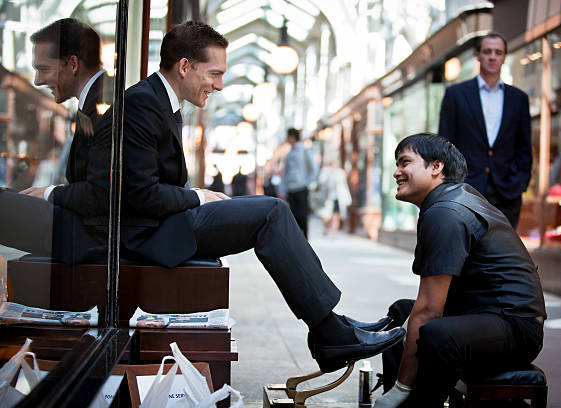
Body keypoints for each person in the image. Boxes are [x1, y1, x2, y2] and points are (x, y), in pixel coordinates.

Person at [109, 21, 404, 373]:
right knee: (272, 212)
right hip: (151, 233)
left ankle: (333, 326)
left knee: (271, 212)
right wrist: (199, 197)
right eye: (214, 74)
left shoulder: (158, 101)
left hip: (166, 221)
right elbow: (140, 195)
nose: (219, 85)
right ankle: (330, 331)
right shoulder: (143, 102)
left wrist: (197, 197)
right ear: (184, 66)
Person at [373, 133, 546, 408]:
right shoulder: (445, 203)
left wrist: (401, 388)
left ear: (436, 167)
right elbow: (428, 305)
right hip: (482, 315)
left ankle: (411, 400)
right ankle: (401, 400)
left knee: (435, 334)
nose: (397, 172)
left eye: (405, 162)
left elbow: (430, 309)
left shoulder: (447, 211)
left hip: (515, 328)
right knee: (402, 312)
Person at [0, 18, 111, 263]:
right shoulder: (96, 103)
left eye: (44, 69)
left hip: (89, 237)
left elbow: (103, 195)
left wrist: (49, 193)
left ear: (72, 64)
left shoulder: (106, 108)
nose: (38, 81)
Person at [438, 32, 532, 229]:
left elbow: (524, 147)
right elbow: (445, 144)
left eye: (498, 52)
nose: (492, 57)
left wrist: (519, 183)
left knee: (502, 255)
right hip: (466, 190)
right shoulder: (456, 95)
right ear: (477, 55)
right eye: (487, 51)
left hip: (507, 192)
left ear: (504, 57)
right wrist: (451, 184)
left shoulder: (519, 99)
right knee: (468, 253)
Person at [280, 128, 317, 238]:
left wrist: (306, 183)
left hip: (301, 188)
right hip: (291, 189)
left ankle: (304, 239)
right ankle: (296, 238)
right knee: (293, 216)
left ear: (292, 137)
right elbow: (285, 173)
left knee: (302, 215)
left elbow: (314, 169)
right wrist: (283, 189)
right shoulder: (289, 154)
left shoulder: (305, 150)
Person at [317, 161, 352, 237]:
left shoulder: (340, 173)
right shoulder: (325, 172)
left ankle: (333, 233)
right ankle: (325, 228)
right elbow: (321, 183)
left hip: (338, 198)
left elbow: (343, 186)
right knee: (326, 215)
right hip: (327, 198)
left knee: (336, 215)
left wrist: (347, 198)